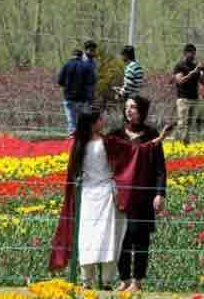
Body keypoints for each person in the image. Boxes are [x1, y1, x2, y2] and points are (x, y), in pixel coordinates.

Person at [48, 109, 171, 289]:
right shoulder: (107, 142)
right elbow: (134, 151)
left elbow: (74, 173)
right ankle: (106, 280)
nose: (103, 122)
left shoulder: (78, 144)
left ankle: (87, 280)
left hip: (86, 195)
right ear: (94, 123)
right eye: (100, 119)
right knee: (109, 236)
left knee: (86, 236)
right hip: (105, 193)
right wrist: (157, 141)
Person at [110, 97, 167, 292]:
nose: (129, 111)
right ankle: (124, 278)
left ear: (142, 110)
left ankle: (138, 280)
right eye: (126, 107)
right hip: (120, 195)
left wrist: (160, 193)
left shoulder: (151, 134)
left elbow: (160, 168)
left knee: (139, 236)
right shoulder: (116, 135)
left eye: (133, 107)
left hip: (143, 194)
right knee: (121, 238)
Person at [173, 44, 204, 144]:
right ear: (185, 53)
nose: (193, 55)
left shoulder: (195, 65)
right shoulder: (179, 65)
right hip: (183, 98)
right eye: (190, 52)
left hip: (194, 98)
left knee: (190, 124)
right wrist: (193, 72)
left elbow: (203, 82)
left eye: (194, 52)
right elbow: (180, 81)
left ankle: (186, 143)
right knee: (182, 123)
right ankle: (178, 143)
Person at [58, 49, 96, 135]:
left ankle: (72, 138)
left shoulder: (66, 65)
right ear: (81, 56)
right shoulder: (86, 66)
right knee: (83, 121)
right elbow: (91, 82)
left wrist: (67, 85)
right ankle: (82, 140)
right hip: (82, 98)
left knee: (71, 121)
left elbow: (60, 81)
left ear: (72, 55)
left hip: (69, 97)